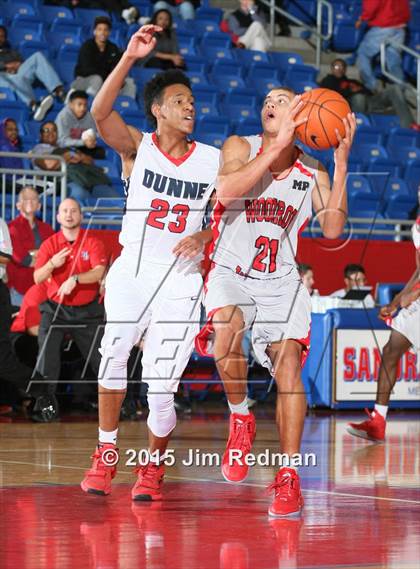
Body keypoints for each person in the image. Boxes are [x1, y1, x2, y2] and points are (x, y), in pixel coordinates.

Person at [195, 87, 356, 517]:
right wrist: (278, 145)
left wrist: (340, 166)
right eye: (267, 98)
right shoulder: (239, 145)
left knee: (288, 367)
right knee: (227, 332)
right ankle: (240, 416)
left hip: (281, 282)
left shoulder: (312, 169)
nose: (270, 102)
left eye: (283, 99)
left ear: (302, 113)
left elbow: (333, 230)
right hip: (231, 272)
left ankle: (288, 476)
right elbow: (226, 189)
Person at [80, 25, 220, 500]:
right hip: (133, 270)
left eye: (192, 100)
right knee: (114, 351)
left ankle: (154, 466)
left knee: (160, 389)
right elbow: (100, 113)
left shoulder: (213, 161)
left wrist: (207, 230)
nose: (190, 106)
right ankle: (106, 453)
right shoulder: (138, 147)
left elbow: (232, 211)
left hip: (181, 281)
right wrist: (129, 59)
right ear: (158, 110)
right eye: (179, 100)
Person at [32, 198, 107, 421]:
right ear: (58, 217)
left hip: (87, 311)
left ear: (80, 216)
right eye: (64, 211)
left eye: (73, 210)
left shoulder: (92, 242)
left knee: (101, 358)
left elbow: (99, 272)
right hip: (56, 309)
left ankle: (121, 404)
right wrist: (52, 264)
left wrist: (76, 278)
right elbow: (37, 278)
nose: (69, 214)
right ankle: (44, 408)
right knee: (46, 359)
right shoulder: (50, 245)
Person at [347, 216, 419, 442]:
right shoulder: (417, 225)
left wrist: (414, 294)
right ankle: (379, 420)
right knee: (390, 351)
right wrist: (396, 301)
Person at [319, 59, 418, 130]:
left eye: (342, 66)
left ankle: (408, 126)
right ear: (332, 68)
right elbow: (331, 96)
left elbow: (368, 92)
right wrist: (352, 92)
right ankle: (359, 126)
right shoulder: (328, 80)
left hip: (370, 102)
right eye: (337, 66)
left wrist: (359, 90)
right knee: (359, 97)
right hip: (349, 106)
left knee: (394, 89)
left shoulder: (353, 81)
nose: (340, 69)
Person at [32, 121, 118, 200]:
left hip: (87, 177)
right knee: (80, 194)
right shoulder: (38, 150)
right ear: (40, 134)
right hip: (64, 180)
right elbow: (48, 164)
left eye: (54, 130)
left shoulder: (65, 146)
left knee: (112, 197)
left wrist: (79, 157)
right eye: (47, 130)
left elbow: (90, 161)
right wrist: (69, 156)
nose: (51, 133)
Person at [7, 186, 54, 307]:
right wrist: (44, 259)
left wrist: (33, 254)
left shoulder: (47, 229)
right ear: (18, 205)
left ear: (39, 205)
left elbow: (54, 254)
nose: (30, 201)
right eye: (25, 199)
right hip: (19, 288)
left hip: (43, 287)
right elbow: (22, 259)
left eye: (33, 199)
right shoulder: (11, 228)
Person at [0, 34, 65, 121]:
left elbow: (20, 62)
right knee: (14, 78)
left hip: (17, 72)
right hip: (3, 76)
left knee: (37, 57)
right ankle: (34, 105)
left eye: (2, 36)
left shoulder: (11, 51)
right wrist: (6, 66)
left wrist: (15, 66)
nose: (0, 38)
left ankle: (59, 92)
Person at [72, 17, 136, 99]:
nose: (103, 32)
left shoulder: (112, 47)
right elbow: (86, 69)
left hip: (106, 81)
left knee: (129, 82)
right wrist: (108, 76)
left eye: (106, 30)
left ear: (109, 32)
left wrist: (119, 78)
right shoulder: (87, 46)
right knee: (97, 79)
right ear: (94, 31)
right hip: (83, 80)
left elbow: (117, 66)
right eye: (99, 29)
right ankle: (91, 107)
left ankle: (127, 107)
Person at [355, 0, 410, 92]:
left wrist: (362, 18)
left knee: (363, 54)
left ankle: (372, 86)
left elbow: (371, 6)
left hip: (384, 26)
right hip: (400, 28)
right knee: (393, 59)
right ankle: (400, 88)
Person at [0, 118, 24, 195]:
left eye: (16, 130)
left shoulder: (15, 148)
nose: (14, 132)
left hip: (17, 182)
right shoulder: (3, 147)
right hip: (6, 183)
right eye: (10, 129)